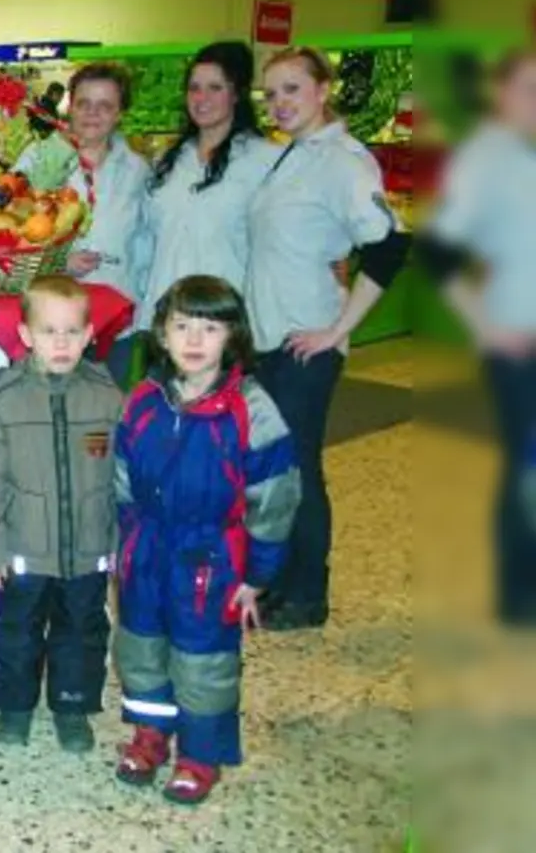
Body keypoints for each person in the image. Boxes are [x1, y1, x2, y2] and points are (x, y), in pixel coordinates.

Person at [112, 275, 301, 806]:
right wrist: (125, 546)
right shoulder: (144, 400)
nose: (194, 340)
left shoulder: (252, 409)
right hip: (147, 551)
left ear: (232, 336)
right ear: (162, 334)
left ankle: (199, 753)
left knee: (203, 660)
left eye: (210, 327)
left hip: (211, 559)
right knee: (141, 650)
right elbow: (122, 479)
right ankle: (150, 733)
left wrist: (257, 575)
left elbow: (276, 496)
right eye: (182, 326)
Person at [244, 47, 412, 631]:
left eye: (292, 88)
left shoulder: (342, 161)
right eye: (271, 92)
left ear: (323, 90)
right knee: (276, 470)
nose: (281, 103)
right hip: (269, 342)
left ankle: (307, 595)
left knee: (298, 471)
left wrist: (339, 329)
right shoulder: (293, 157)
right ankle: (283, 585)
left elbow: (390, 244)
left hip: (304, 346)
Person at [0, 275, 124, 754]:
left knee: (83, 631)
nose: (62, 343)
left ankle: (72, 706)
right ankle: (14, 706)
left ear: (90, 334)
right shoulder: (3, 399)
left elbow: (121, 478)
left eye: (73, 331)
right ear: (27, 334)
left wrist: (119, 543)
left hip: (87, 547)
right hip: (22, 551)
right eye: (50, 331)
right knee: (15, 633)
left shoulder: (107, 397)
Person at [418, 48, 536, 628]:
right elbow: (438, 251)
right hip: (520, 342)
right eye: (528, 89)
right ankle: (520, 594)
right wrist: (486, 325)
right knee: (527, 467)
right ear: (502, 92)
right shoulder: (485, 160)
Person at [16, 63, 154, 387]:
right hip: (50, 320)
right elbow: (10, 234)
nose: (93, 114)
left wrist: (143, 310)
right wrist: (57, 261)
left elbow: (145, 245)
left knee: (102, 423)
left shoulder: (138, 170)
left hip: (116, 320)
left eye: (105, 106)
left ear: (120, 113)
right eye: (84, 104)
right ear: (70, 106)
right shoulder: (37, 158)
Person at [138, 42, 280, 337]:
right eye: (194, 88)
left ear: (237, 94)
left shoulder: (264, 162)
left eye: (215, 87)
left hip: (229, 323)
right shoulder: (170, 162)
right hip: (168, 322)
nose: (202, 98)